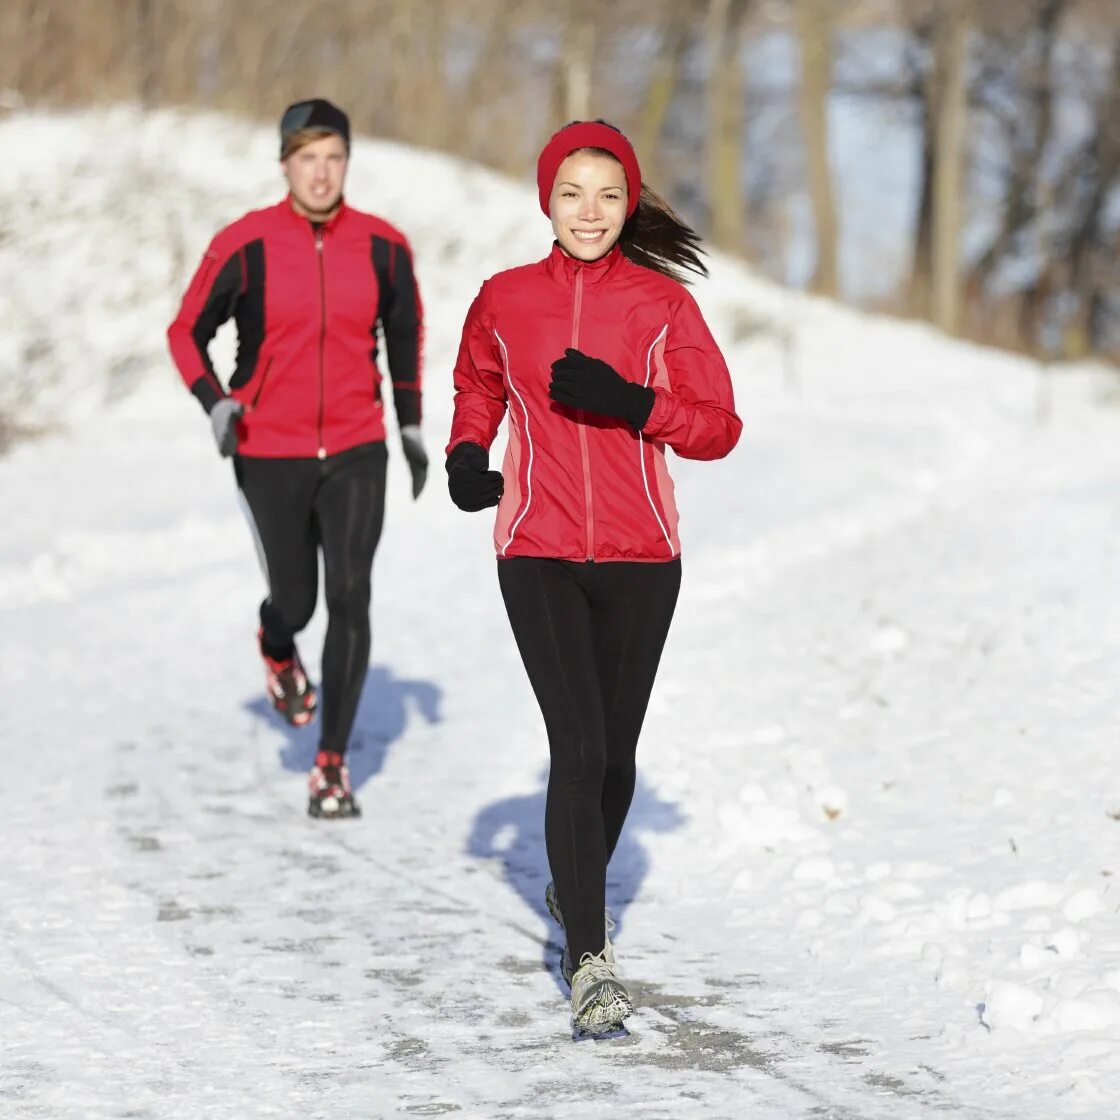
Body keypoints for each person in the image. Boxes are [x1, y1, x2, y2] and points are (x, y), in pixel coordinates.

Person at [446, 120, 741, 1036]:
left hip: (643, 558)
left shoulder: (661, 307)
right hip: (535, 547)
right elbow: (478, 385)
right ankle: (589, 957)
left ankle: (569, 888)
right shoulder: (504, 298)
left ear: (629, 204)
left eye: (609, 195)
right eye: (573, 192)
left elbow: (718, 426)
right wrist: (466, 453)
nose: (590, 211)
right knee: (575, 748)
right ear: (547, 198)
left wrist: (631, 403)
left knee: (614, 755)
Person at [167, 98, 427, 820]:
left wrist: (408, 427)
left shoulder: (383, 247)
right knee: (298, 601)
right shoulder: (244, 245)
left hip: (355, 446)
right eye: (308, 158)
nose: (322, 173)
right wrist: (216, 403)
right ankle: (278, 643)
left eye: (334, 157)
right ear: (285, 163)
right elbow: (185, 332)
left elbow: (404, 334)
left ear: (348, 162)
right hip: (269, 449)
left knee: (350, 594)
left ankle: (331, 763)